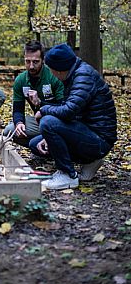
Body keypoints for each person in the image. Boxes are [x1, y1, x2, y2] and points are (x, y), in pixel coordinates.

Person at [29, 43, 117, 190]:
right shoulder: (73, 75)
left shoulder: (83, 76)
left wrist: (44, 109)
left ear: (59, 69)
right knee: (35, 144)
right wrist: (48, 137)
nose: (51, 73)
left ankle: (67, 175)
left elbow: (69, 111)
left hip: (99, 139)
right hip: (87, 131)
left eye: (51, 70)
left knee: (47, 122)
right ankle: (90, 162)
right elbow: (72, 111)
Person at [3, 41, 64, 146]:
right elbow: (17, 109)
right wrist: (19, 123)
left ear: (42, 60)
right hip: (38, 121)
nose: (31, 66)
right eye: (28, 61)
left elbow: (63, 108)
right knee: (9, 130)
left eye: (35, 62)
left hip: (59, 122)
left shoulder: (54, 76)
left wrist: (40, 103)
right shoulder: (20, 80)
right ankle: (38, 148)